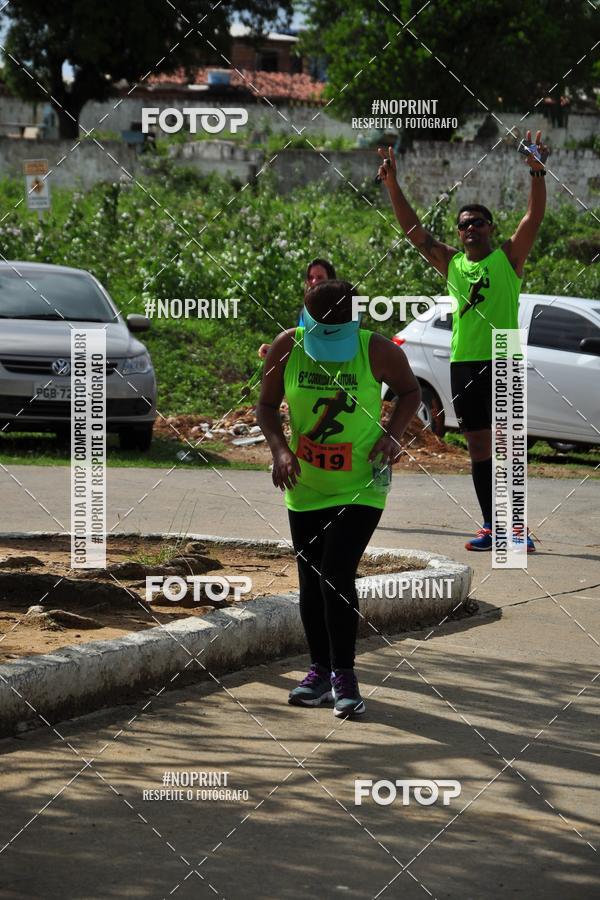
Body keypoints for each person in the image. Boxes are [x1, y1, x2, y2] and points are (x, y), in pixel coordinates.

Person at [376, 129, 549, 552]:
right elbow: (416, 232)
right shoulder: (452, 264)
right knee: (477, 446)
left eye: (477, 222)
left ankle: (517, 529)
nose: (469, 228)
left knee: (508, 445)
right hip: (464, 360)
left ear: (490, 228)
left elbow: (534, 218)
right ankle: (493, 525)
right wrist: (393, 184)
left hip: (503, 355)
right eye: (463, 224)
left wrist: (537, 172)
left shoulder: (508, 258)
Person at [257, 279, 421, 716]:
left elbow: (411, 392)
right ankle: (318, 671)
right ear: (307, 320)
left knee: (335, 573)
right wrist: (280, 450)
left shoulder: (378, 350)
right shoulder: (286, 348)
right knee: (311, 581)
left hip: (362, 483)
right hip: (305, 485)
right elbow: (267, 407)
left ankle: (345, 676)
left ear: (354, 321)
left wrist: (392, 435)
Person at [257, 258, 336, 359]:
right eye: (310, 277)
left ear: (331, 280)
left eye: (320, 277)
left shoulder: (340, 310)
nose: (314, 281)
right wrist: (274, 350)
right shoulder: (305, 312)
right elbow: (301, 346)